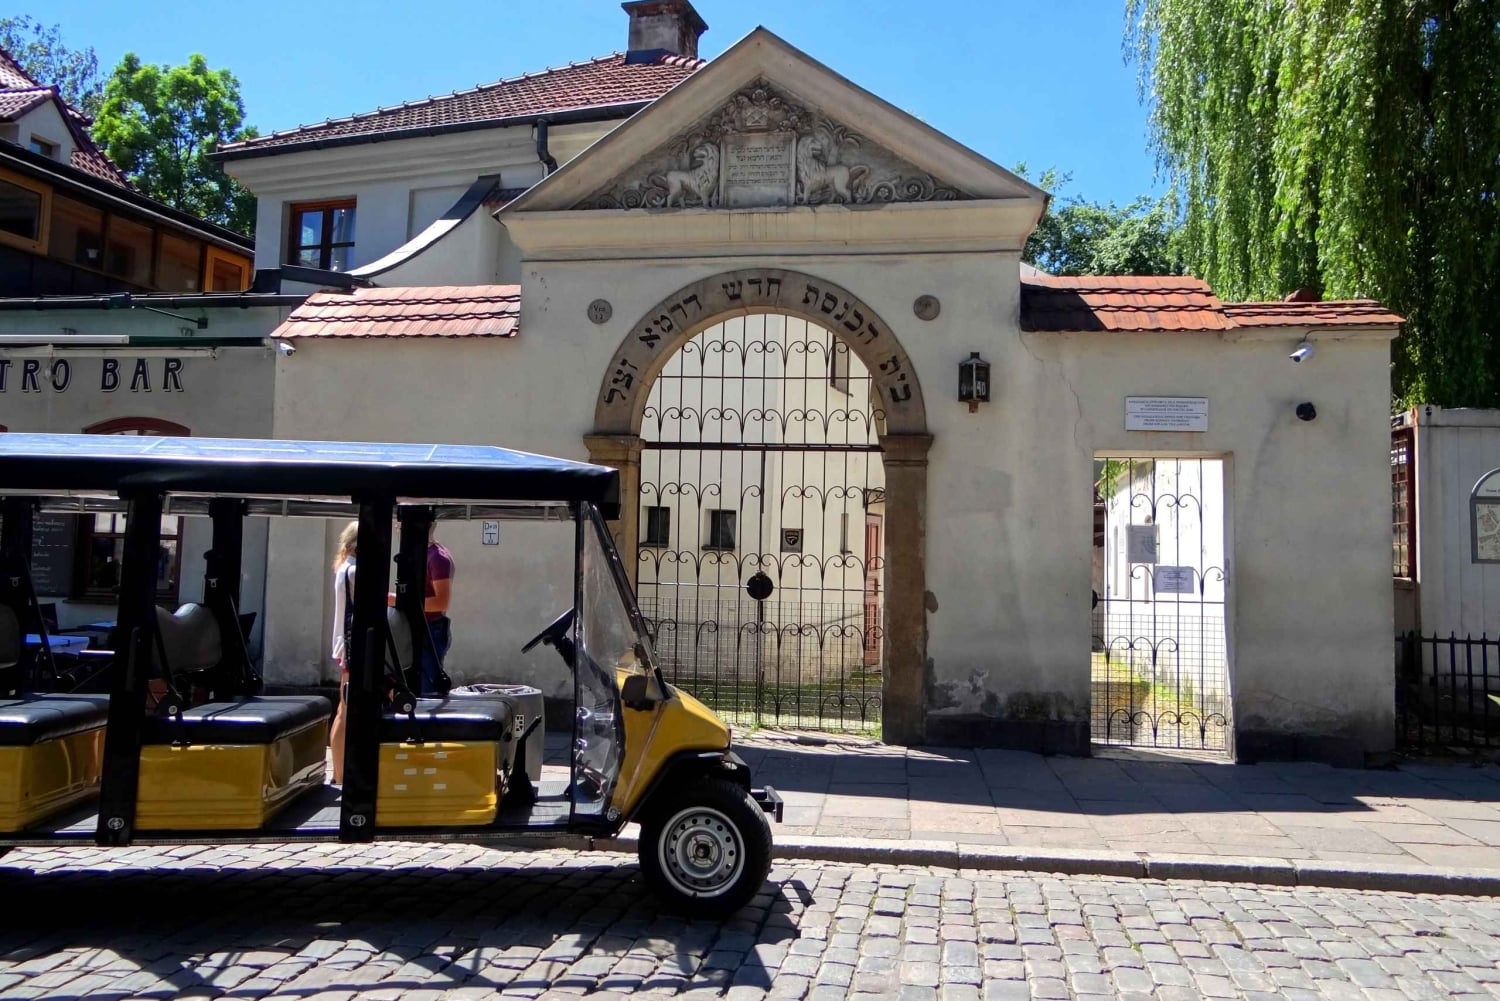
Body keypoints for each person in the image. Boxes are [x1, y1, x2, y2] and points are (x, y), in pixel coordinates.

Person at [328, 521, 358, 784]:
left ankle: (339, 775)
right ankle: (339, 775)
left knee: (344, 710)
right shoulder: (355, 570)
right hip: (352, 647)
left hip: (344, 645)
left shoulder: (344, 567)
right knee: (346, 712)